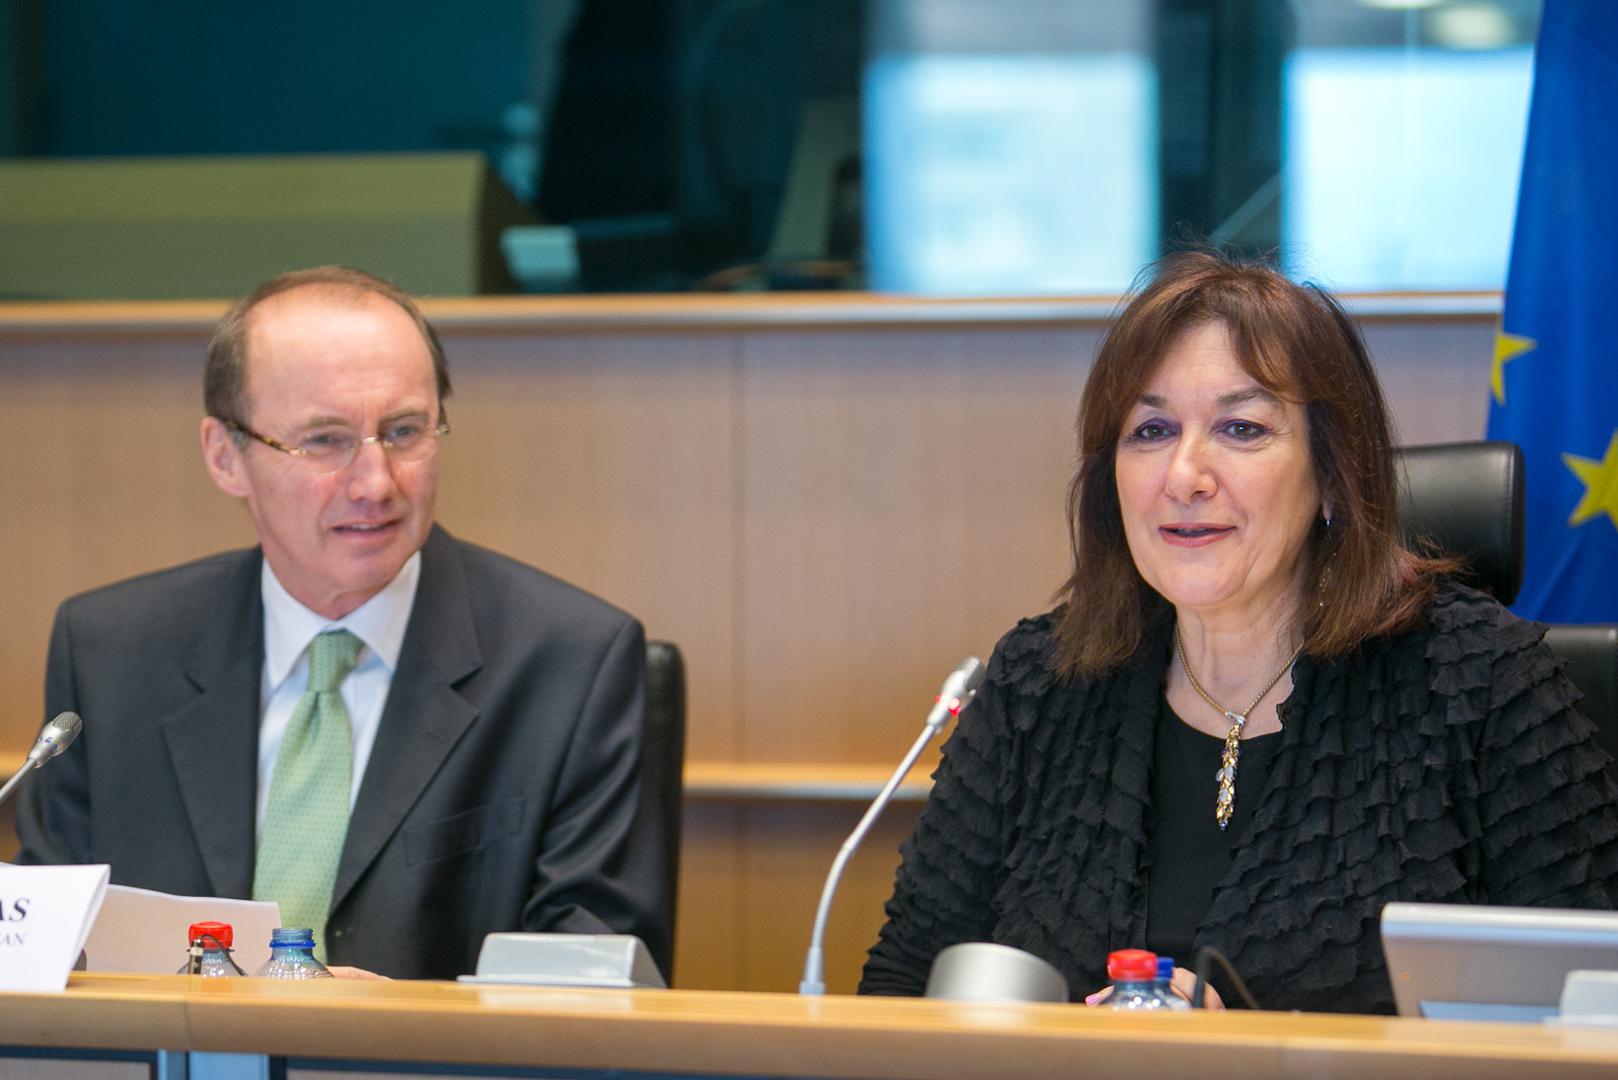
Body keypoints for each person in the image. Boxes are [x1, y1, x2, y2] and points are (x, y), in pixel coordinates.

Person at [859, 252, 1618, 1013]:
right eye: (1151, 430)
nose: (1184, 475)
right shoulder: (1038, 683)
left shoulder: (1479, 682)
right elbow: (901, 991)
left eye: (1241, 428)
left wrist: (1248, 1053)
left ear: (1332, 474)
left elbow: (1593, 1017)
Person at [15, 266, 669, 981]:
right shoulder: (112, 656)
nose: (377, 483)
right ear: (226, 457)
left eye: (404, 431)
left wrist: (393, 1023)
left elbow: (596, 981)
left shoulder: (570, 664)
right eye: (325, 440)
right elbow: (43, 947)